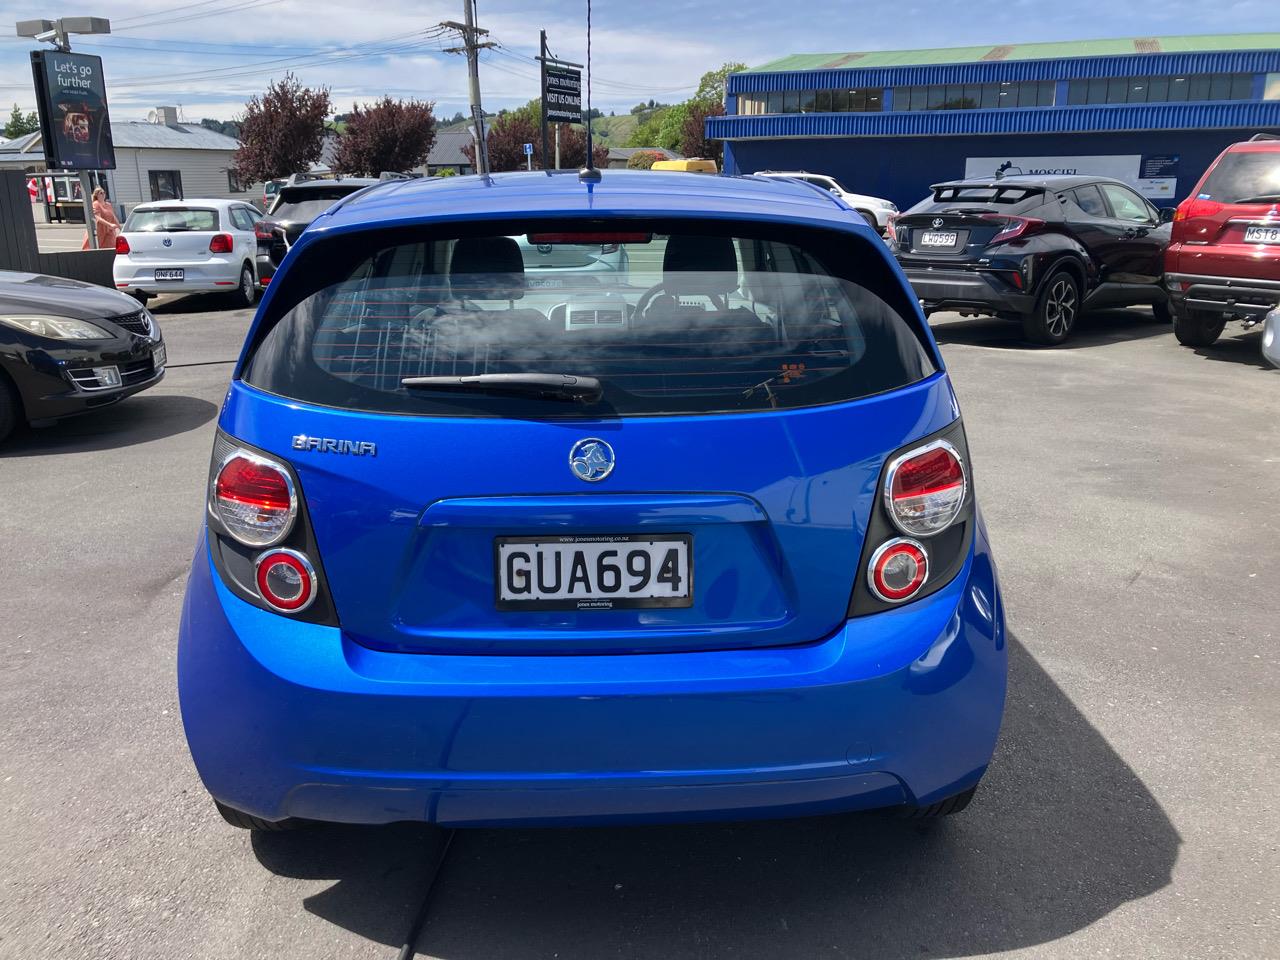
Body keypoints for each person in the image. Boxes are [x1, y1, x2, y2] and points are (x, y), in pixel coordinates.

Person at [82, 186, 121, 250]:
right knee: (98, 248)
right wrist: (109, 224)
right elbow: (98, 218)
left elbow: (113, 217)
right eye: (101, 193)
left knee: (112, 246)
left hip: (109, 230)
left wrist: (120, 227)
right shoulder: (95, 204)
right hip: (100, 230)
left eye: (104, 193)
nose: (103, 194)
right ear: (96, 195)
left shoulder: (108, 205)